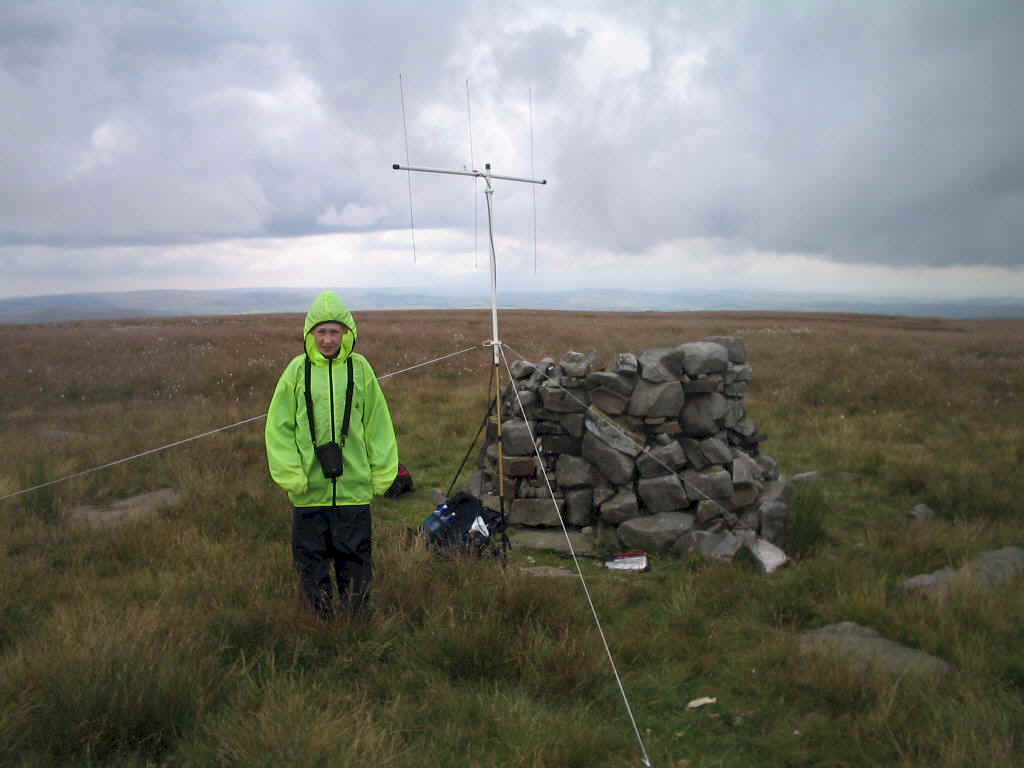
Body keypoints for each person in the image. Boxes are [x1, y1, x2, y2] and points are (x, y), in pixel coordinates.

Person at [265, 291, 398, 619]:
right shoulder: (296, 371)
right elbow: (278, 429)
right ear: (310, 334)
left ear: (347, 333)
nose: (327, 339)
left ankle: (356, 624)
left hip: (354, 490)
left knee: (356, 563)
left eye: (334, 332)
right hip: (308, 492)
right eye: (321, 332)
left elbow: (378, 424)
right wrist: (292, 476)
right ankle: (320, 626)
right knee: (311, 565)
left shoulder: (361, 369)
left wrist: (382, 474)